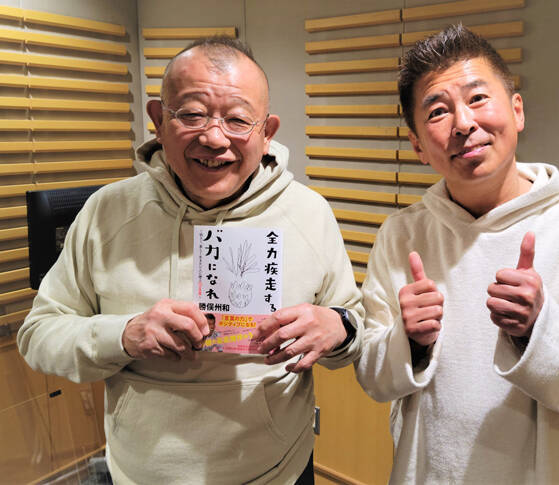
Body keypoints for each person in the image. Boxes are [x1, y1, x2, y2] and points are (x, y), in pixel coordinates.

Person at [18, 37, 363, 485]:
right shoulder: (107, 212)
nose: (214, 138)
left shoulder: (309, 213)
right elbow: (39, 335)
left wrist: (339, 327)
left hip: (278, 470)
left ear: (267, 133)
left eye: (237, 119)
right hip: (143, 472)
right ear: (158, 121)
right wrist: (123, 335)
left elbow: (353, 324)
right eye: (192, 114)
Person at [354, 24, 559, 484]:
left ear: (517, 110)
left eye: (477, 98)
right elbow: (372, 376)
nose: (463, 123)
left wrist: (540, 330)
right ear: (417, 146)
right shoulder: (401, 233)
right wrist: (408, 341)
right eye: (437, 111)